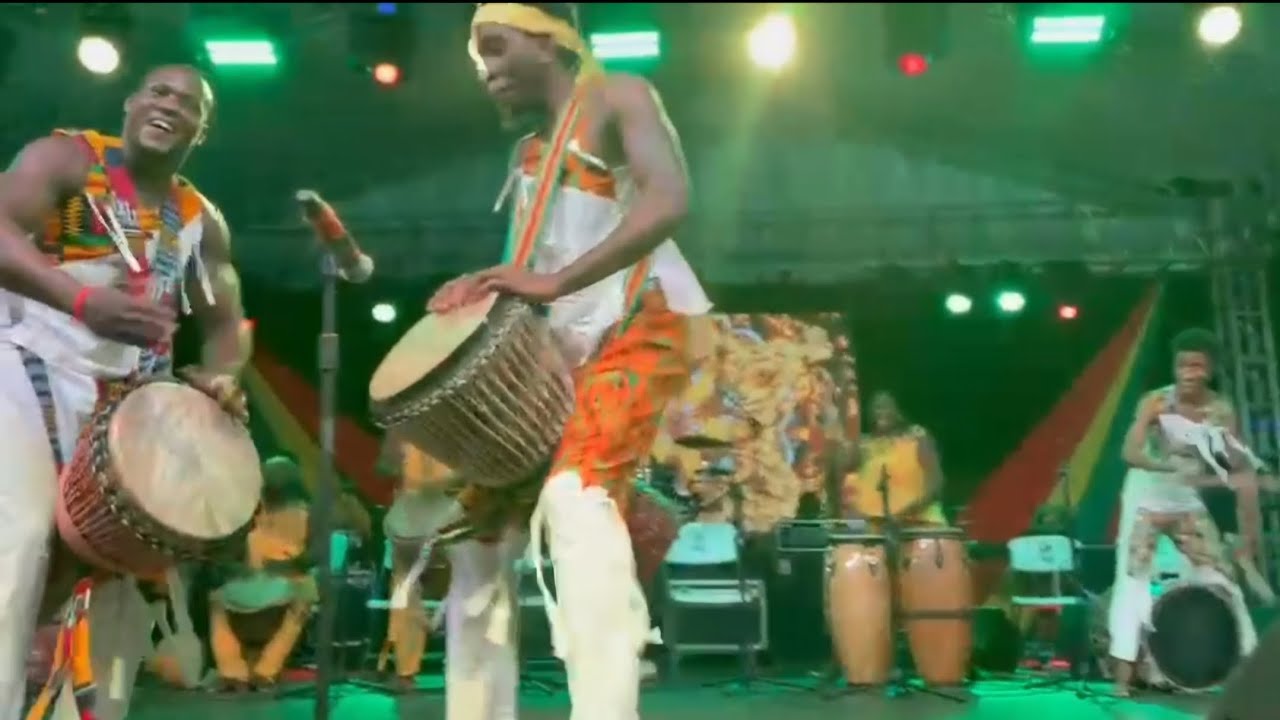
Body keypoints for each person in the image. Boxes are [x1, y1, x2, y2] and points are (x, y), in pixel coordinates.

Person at [427, 4, 710, 717]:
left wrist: (551, 283)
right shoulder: (527, 153)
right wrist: (485, 286)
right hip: (564, 349)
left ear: (549, 40)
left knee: (574, 501)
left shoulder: (621, 95)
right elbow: (535, 267)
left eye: (496, 48)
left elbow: (670, 199)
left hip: (644, 318)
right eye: (478, 59)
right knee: (474, 539)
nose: (486, 70)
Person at [0, 64, 249, 719]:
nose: (171, 106)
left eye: (190, 103)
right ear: (132, 102)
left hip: (124, 398)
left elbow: (225, 326)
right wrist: (80, 300)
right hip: (24, 369)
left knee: (121, 568)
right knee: (20, 537)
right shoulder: (68, 159)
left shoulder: (199, 221)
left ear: (204, 128)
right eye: (160, 93)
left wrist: (222, 376)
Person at [1107, 328, 1258, 696]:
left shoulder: (1220, 409)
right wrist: (1161, 465)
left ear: (1209, 370)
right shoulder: (1156, 401)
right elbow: (1129, 453)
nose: (1188, 371)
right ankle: (1123, 679)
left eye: (1197, 364)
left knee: (1220, 575)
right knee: (1134, 580)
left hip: (1185, 500)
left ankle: (1251, 671)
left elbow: (1232, 465)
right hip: (1146, 497)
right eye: (1182, 363)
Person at [209, 457, 316, 693]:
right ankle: (267, 669)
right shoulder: (302, 514)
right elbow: (301, 563)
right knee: (306, 595)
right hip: (278, 592)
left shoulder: (244, 511)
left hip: (241, 594)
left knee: (216, 601)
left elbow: (227, 559)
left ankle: (231, 670)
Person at [842, 391, 947, 526]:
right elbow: (843, 479)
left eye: (885, 406)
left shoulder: (917, 437)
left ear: (899, 411)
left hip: (920, 523)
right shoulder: (864, 445)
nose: (878, 412)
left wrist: (905, 514)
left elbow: (936, 484)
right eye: (875, 408)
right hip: (875, 529)